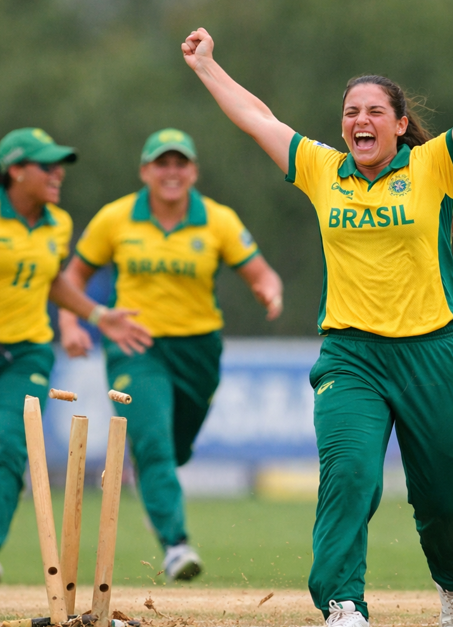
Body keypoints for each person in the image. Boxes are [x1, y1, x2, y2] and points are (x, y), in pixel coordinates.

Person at [181, 5, 453, 626]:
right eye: (352, 112)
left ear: (399, 123)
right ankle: (343, 603)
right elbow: (258, 119)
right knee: (351, 477)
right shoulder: (324, 170)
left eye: (374, 111)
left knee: (440, 498)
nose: (360, 120)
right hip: (351, 356)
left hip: (432, 352)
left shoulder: (434, 165)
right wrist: (207, 66)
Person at [0, 128, 151, 583]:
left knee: (9, 444)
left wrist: (98, 315)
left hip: (26, 353)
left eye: (61, 164)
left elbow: (53, 281)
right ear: (16, 171)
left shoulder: (57, 223)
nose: (58, 173)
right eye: (47, 165)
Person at [57, 128, 283, 581]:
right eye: (162, 163)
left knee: (174, 449)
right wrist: (69, 324)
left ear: (194, 171)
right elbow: (72, 277)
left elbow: (263, 273)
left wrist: (268, 292)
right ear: (146, 171)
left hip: (198, 351)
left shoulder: (217, 220)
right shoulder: (116, 218)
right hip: (133, 346)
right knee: (153, 443)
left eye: (181, 163)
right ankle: (176, 544)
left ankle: (155, 491)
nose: (172, 172)